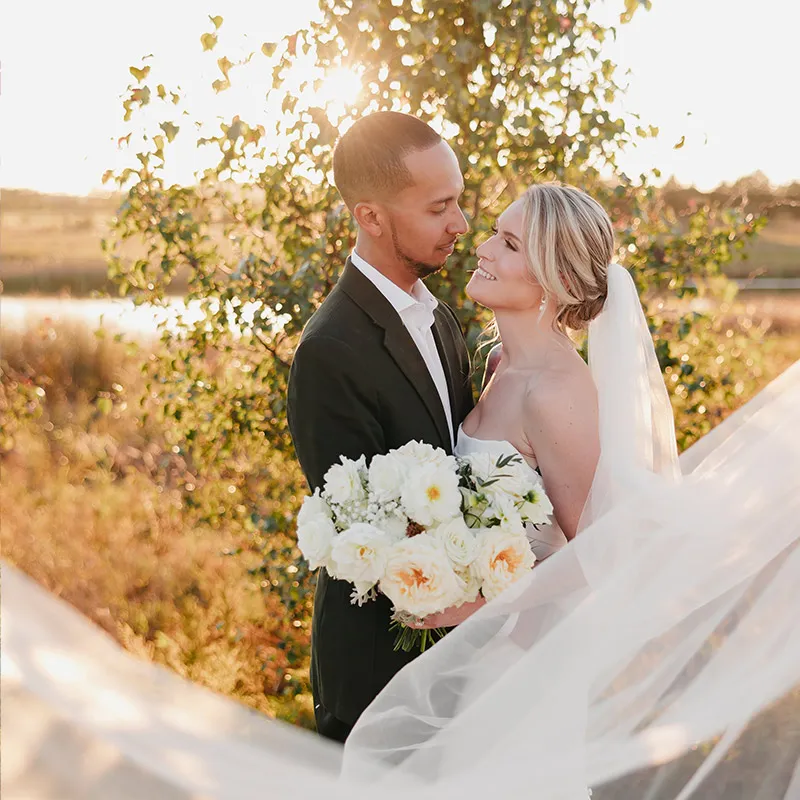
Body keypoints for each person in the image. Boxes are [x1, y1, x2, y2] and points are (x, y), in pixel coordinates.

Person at [286, 111, 476, 743]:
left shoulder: (440, 320)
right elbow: (363, 533)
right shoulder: (330, 349)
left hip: (455, 668)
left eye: (459, 202)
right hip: (378, 679)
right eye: (439, 207)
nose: (460, 223)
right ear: (370, 216)